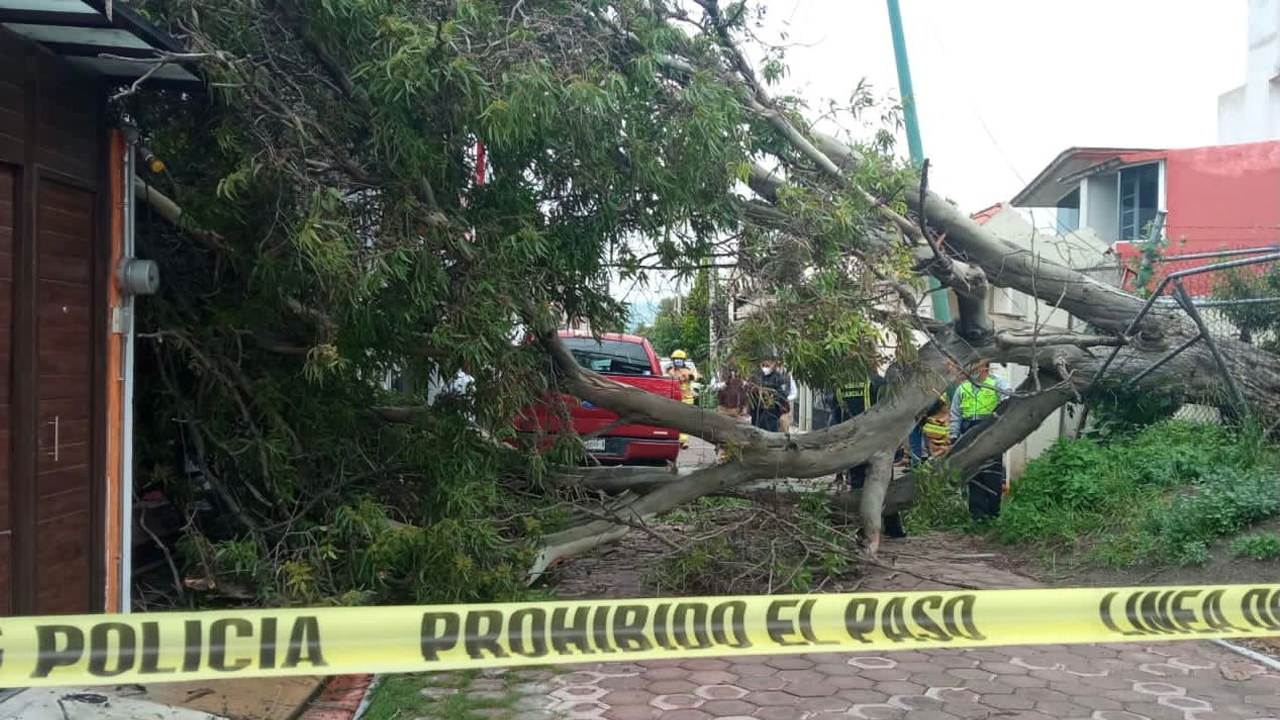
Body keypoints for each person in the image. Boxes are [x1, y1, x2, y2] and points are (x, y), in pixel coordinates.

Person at [832, 371, 906, 539]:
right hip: (878, 442)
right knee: (884, 484)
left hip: (852, 442)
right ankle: (893, 527)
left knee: (858, 485)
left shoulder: (840, 385)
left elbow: (836, 416)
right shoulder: (878, 382)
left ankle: (862, 528)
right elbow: (891, 413)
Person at [949, 361, 1012, 521]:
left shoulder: (998, 383)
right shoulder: (962, 388)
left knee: (992, 473)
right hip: (969, 432)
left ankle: (993, 512)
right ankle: (977, 514)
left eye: (975, 367)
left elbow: (1008, 402)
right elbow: (955, 415)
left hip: (991, 432)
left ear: (985, 367)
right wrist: (954, 436)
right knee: (973, 475)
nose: (971, 371)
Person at [666, 350, 700, 449]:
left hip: (687, 399)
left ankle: (684, 441)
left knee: (685, 421)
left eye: (680, 359)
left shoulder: (688, 370)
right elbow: (666, 379)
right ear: (673, 360)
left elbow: (696, 376)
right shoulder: (670, 371)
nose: (678, 361)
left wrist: (691, 376)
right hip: (675, 398)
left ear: (683, 360)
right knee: (674, 420)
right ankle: (674, 439)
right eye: (676, 359)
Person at [748, 354, 790, 432]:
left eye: (769, 361)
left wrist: (770, 394)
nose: (766, 363)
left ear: (774, 363)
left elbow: (783, 395)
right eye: (764, 361)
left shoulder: (779, 378)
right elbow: (749, 392)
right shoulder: (756, 376)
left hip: (772, 414)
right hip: (757, 414)